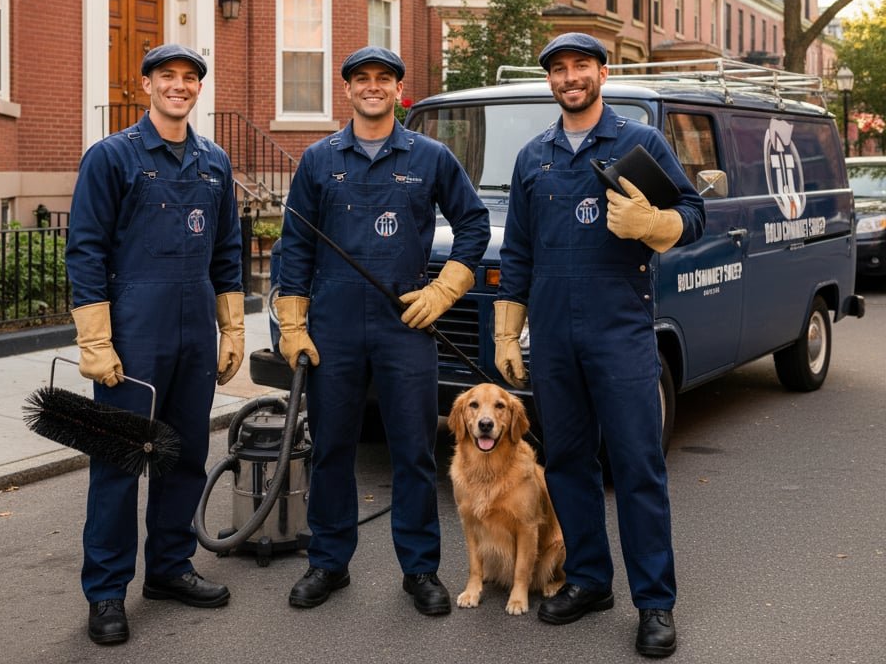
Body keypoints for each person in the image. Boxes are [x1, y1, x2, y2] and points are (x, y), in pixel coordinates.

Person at [493, 33, 705, 658]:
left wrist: (656, 224)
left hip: (621, 331)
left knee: (638, 466)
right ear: (551, 82)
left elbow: (693, 213)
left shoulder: (640, 142)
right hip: (554, 337)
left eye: (580, 66)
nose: (569, 78)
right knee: (567, 463)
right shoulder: (535, 157)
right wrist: (509, 331)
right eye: (558, 70)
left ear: (602, 73)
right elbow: (519, 252)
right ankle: (589, 579)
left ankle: (655, 603)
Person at [276, 46, 490, 616]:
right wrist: (292, 323)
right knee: (332, 449)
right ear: (347, 89)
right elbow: (294, 244)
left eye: (384, 79)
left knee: (414, 451)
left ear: (399, 90)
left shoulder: (431, 155)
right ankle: (328, 562)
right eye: (361, 79)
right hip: (334, 326)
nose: (372, 87)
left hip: (405, 326)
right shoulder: (319, 160)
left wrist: (445, 290)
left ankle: (420, 569)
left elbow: (473, 223)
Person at [65, 43, 244, 646]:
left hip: (195, 333)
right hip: (133, 334)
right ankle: (107, 592)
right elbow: (85, 250)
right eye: (167, 76)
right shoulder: (111, 157)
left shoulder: (214, 162)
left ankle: (169, 569)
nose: (179, 86)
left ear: (198, 89)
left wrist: (232, 328)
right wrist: (95, 338)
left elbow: (227, 252)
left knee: (183, 456)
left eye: (189, 78)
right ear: (145, 85)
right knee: (119, 461)